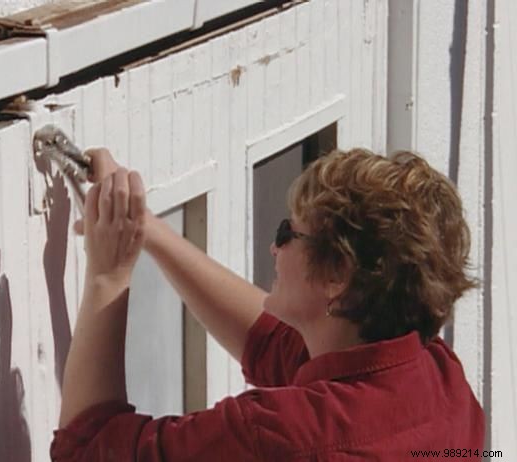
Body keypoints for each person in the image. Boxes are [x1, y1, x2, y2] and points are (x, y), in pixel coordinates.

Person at [50, 148, 485, 461]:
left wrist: (109, 274)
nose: (274, 249)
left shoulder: (276, 437)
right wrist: (146, 229)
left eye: (287, 233)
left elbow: (86, 451)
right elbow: (273, 347)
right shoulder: (446, 385)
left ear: (337, 275)